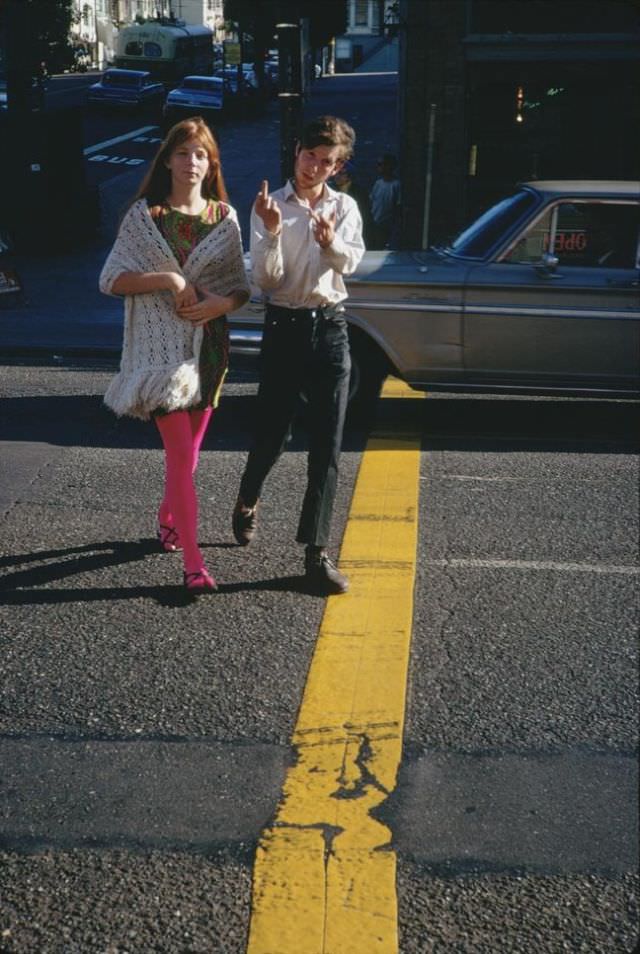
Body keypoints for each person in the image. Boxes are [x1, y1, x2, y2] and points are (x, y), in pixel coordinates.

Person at [99, 117, 250, 593]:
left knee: (188, 458)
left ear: (212, 164)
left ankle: (168, 518)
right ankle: (193, 562)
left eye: (201, 154)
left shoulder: (223, 220)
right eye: (183, 153)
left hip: (209, 349)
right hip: (160, 359)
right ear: (167, 160)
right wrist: (170, 280)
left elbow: (239, 289)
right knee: (179, 456)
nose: (192, 162)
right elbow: (111, 280)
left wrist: (219, 303)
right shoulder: (146, 217)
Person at [232, 115, 365, 595]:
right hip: (285, 327)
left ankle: (316, 553)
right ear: (296, 152)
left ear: (338, 164)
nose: (316, 168)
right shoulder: (271, 206)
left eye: (327, 161)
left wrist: (331, 243)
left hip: (331, 328)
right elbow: (265, 282)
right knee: (273, 434)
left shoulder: (345, 207)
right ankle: (248, 497)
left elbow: (352, 264)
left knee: (328, 444)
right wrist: (269, 232)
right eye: (310, 156)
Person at [369, 153, 401, 249]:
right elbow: (372, 201)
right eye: (378, 164)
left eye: (381, 164)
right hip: (375, 223)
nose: (379, 167)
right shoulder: (378, 183)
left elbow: (398, 206)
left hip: (388, 225)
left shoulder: (396, 185)